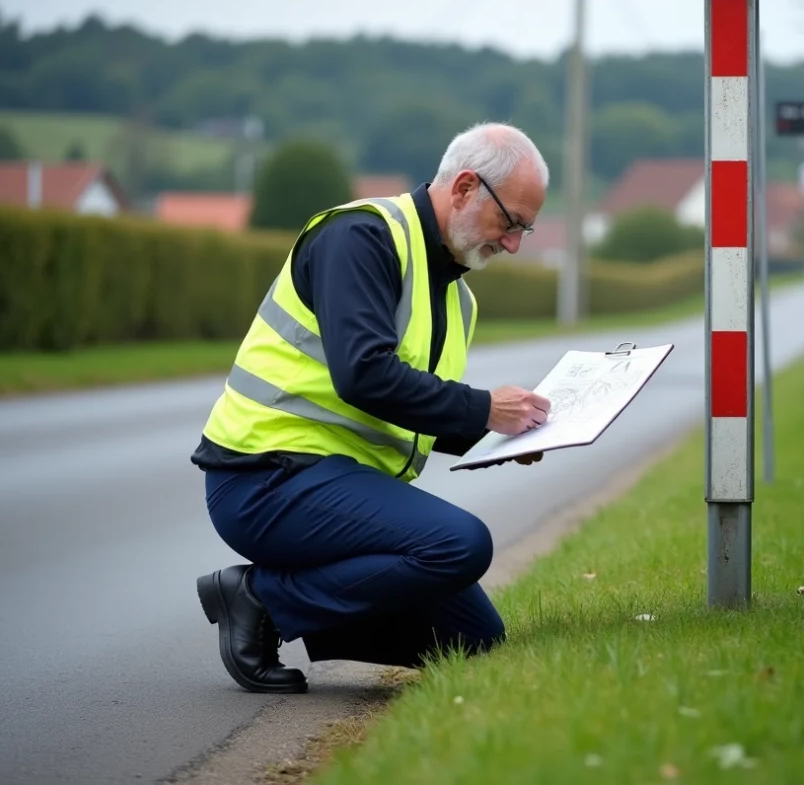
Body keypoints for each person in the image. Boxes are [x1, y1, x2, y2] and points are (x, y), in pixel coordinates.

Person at [190, 122, 552, 694]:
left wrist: (511, 436)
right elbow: (365, 374)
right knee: (459, 544)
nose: (513, 244)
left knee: (474, 641)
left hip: (336, 481)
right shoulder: (361, 236)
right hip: (264, 478)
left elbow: (413, 411)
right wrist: (484, 408)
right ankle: (260, 599)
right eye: (510, 222)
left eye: (525, 230)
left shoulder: (456, 295)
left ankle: (292, 605)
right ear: (463, 188)